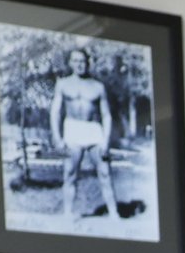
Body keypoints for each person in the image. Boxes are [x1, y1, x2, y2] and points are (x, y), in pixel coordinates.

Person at [49, 47, 136, 220]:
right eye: (76, 61)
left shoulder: (97, 87)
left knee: (104, 172)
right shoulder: (63, 84)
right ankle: (67, 213)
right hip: (72, 129)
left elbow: (106, 115)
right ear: (70, 63)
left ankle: (114, 214)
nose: (79, 64)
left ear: (88, 62)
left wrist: (105, 141)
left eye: (82, 61)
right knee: (70, 172)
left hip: (93, 130)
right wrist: (57, 137)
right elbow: (55, 112)